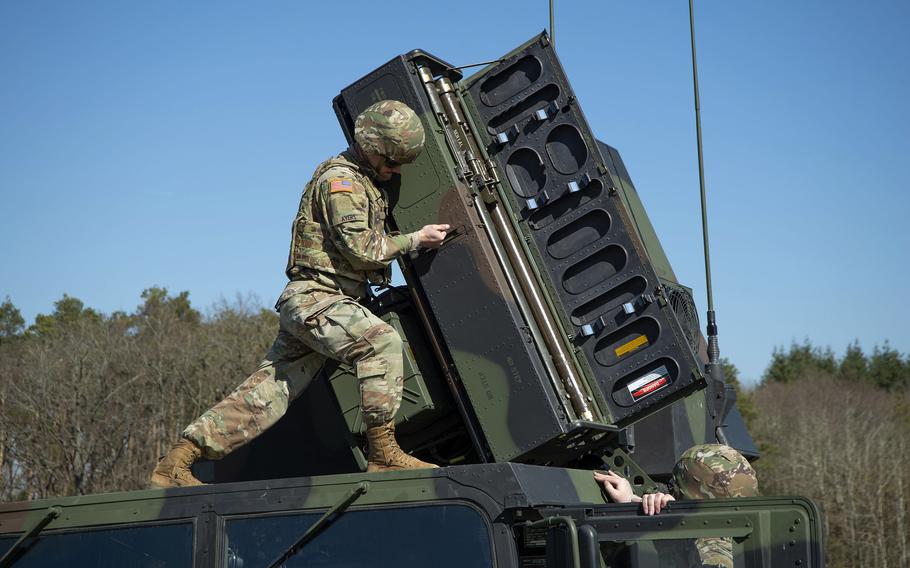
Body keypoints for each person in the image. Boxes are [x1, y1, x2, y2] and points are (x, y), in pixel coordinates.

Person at [151, 100, 451, 488]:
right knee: (379, 343)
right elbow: (361, 249)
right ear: (372, 149)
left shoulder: (362, 182)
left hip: (318, 301)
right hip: (317, 298)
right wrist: (416, 239)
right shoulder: (340, 183)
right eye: (391, 163)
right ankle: (382, 455)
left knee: (265, 394)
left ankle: (176, 462)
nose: (394, 172)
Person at [595, 444, 759, 568]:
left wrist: (672, 529)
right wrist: (631, 501)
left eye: (673, 488)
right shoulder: (750, 534)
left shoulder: (710, 554)